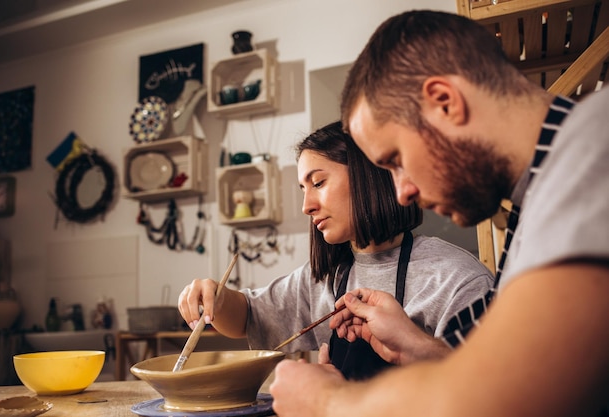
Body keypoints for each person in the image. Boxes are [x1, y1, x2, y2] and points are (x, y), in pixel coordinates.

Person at [269, 9, 609, 417]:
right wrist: (420, 348)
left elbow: (513, 398)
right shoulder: (538, 200)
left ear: (444, 102)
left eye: (396, 160)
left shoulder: (595, 139)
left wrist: (326, 401)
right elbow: (500, 369)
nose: (403, 191)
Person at [178, 121, 493, 380]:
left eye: (318, 183)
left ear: (367, 177)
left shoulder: (456, 280)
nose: (306, 206)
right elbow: (248, 318)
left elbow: (485, 391)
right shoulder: (326, 277)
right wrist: (216, 297)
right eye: (303, 189)